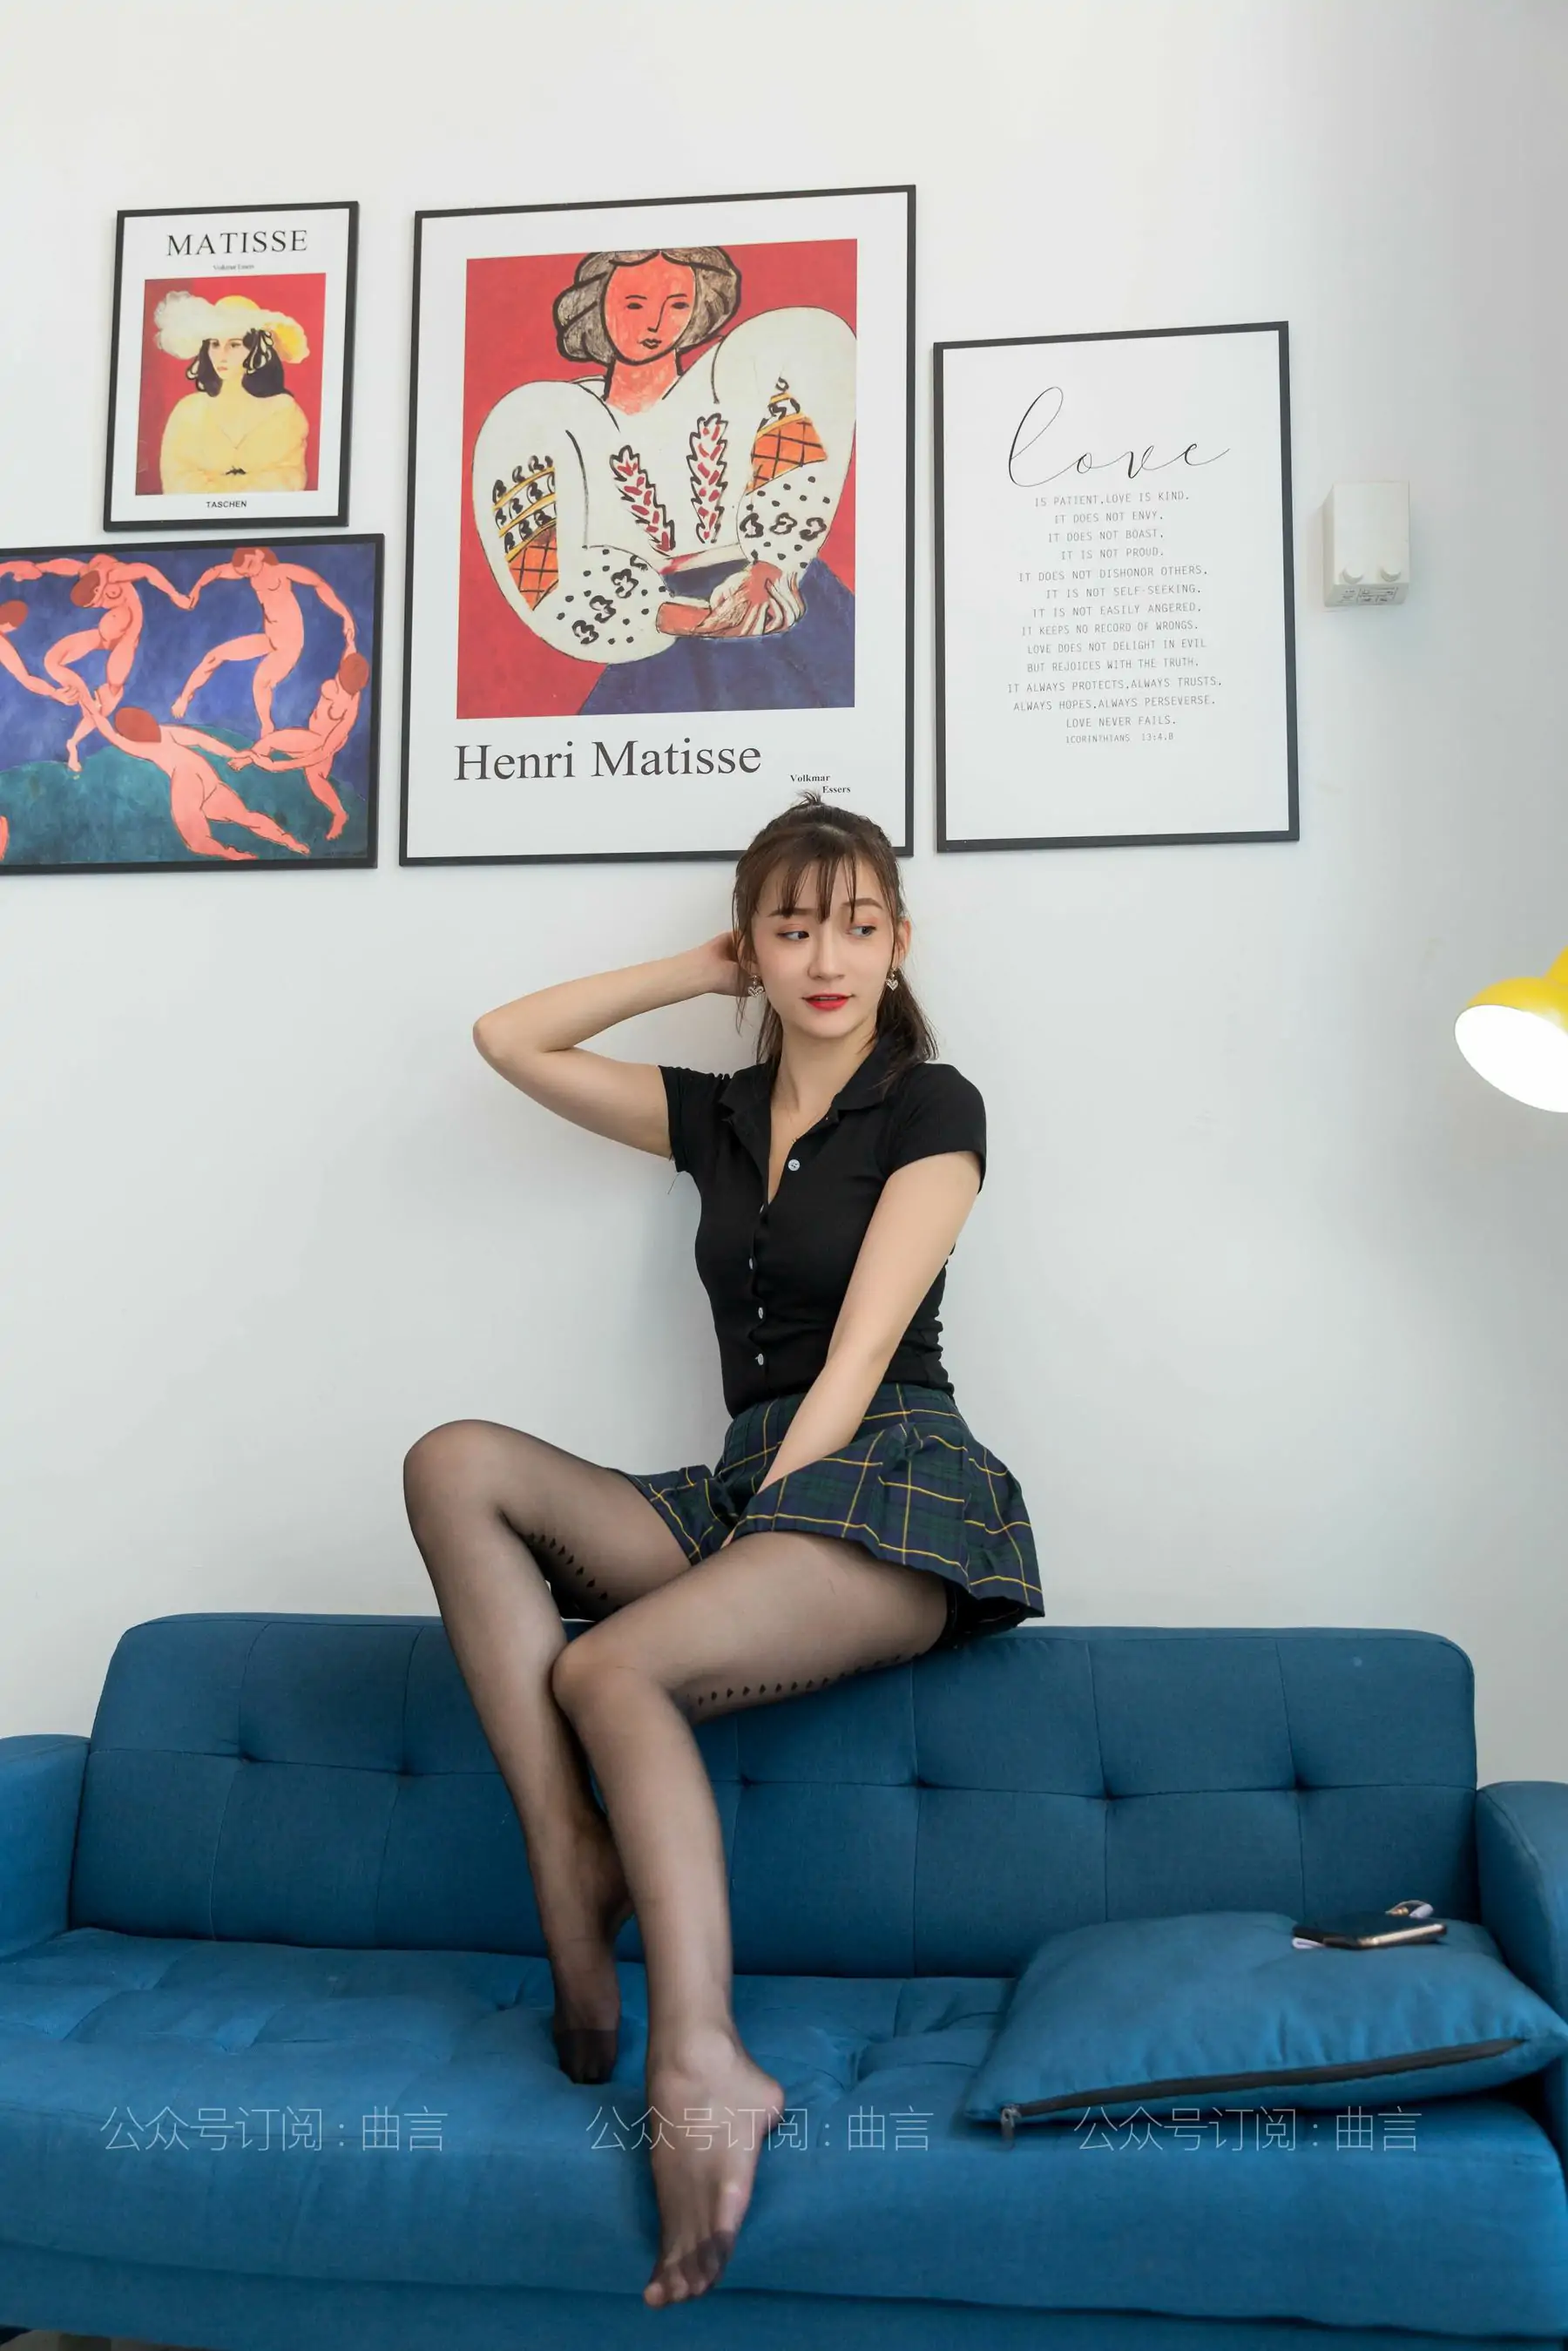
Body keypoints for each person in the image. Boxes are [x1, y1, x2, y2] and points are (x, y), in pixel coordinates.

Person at [402, 793, 1042, 2309]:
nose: (829, 958)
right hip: (750, 1477)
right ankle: (571, 1853)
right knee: (454, 1463)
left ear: (900, 942)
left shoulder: (933, 1105)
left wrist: (760, 1527)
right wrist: (694, 968)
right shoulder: (720, 1115)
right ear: (754, 944)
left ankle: (700, 2049)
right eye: (794, 927)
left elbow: (862, 1350)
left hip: (888, 1473)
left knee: (611, 1666)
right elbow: (508, 1038)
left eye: (859, 925)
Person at [470, 247, 855, 713]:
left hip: (779, 601)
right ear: (596, 304)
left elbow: (798, 463)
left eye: (677, 304)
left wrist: (771, 570)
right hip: (659, 630)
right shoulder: (552, 421)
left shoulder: (740, 377)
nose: (654, 323)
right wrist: (682, 619)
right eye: (634, 304)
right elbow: (545, 575)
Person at [0, 553, 193, 771]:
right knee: (52, 660)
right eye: (94, 605)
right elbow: (63, 566)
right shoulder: (87, 570)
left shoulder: (116, 574)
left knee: (113, 691)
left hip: (126, 639)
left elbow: (147, 571)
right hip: (101, 635)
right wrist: (38, 567)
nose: (99, 605)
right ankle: (83, 700)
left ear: (100, 588)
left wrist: (175, 594)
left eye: (98, 601)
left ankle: (76, 739)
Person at [83, 699, 308, 861]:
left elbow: (109, 733)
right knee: (244, 818)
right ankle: (287, 841)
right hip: (205, 775)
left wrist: (91, 708)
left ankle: (235, 855)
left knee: (197, 841)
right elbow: (202, 741)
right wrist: (234, 753)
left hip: (187, 778)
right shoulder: (163, 732)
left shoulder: (143, 743)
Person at [172, 545, 356, 733]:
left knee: (260, 681)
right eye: (245, 573)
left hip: (289, 646)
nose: (249, 573)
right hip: (270, 638)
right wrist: (196, 589)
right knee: (214, 656)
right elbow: (216, 571)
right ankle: (184, 698)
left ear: (259, 554)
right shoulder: (250, 572)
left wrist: (345, 615)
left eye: (250, 565)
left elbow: (319, 584)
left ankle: (267, 727)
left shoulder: (282, 571)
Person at [152, 290, 311, 495]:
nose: (222, 355)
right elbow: (177, 480)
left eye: (234, 345)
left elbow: (289, 478)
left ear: (257, 350)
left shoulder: (284, 410)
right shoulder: (188, 410)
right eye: (214, 344)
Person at [227, 649, 369, 841]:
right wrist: (348, 632)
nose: (336, 683)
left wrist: (280, 766)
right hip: (318, 737)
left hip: (318, 741)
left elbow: (322, 752)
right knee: (316, 779)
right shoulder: (350, 673)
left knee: (272, 742)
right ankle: (340, 814)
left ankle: (247, 759)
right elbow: (349, 653)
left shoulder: (349, 712)